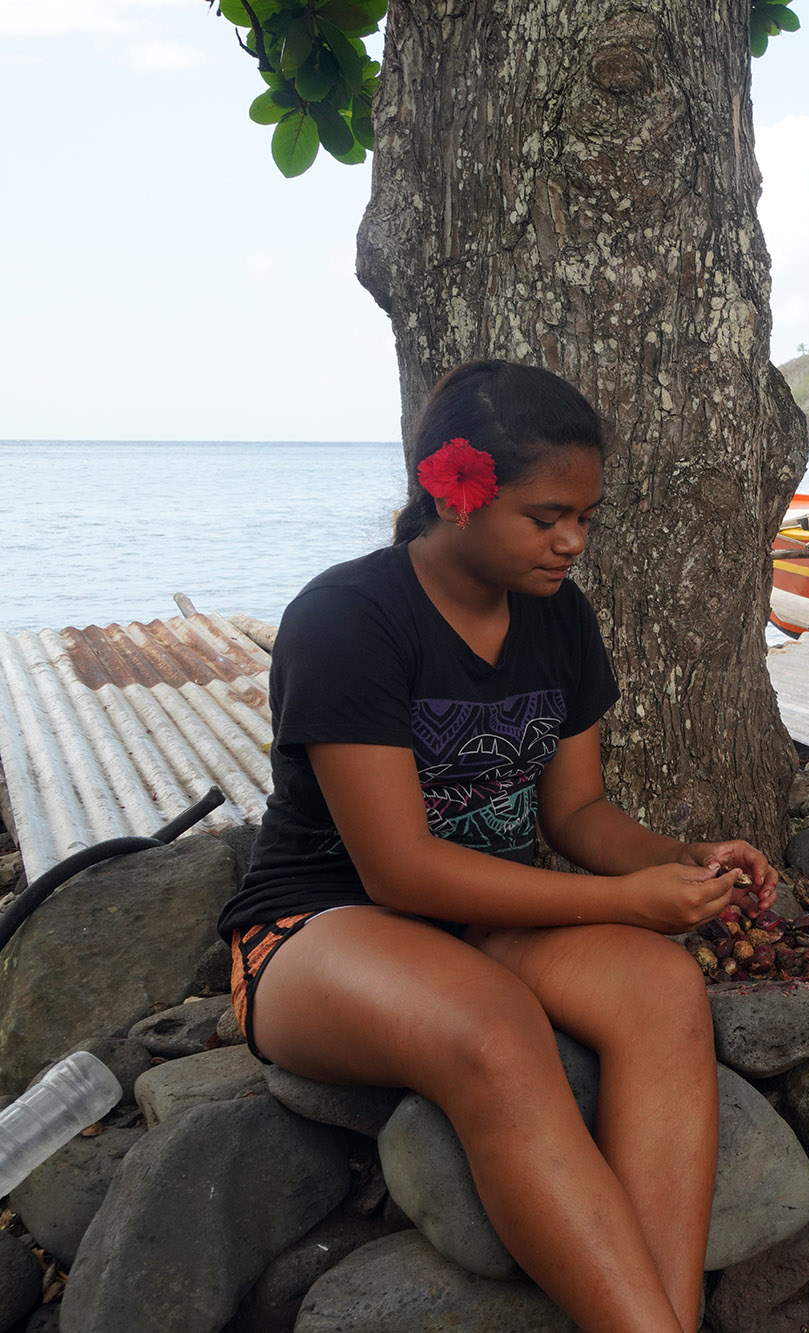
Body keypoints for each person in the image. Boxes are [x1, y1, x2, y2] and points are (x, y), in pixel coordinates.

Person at [218, 361, 774, 1333]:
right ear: (454, 492)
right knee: (494, 1030)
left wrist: (679, 860)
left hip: (482, 915)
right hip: (319, 925)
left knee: (659, 986)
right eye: (545, 515)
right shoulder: (349, 619)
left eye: (585, 518)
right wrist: (624, 903)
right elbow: (401, 869)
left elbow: (578, 817)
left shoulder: (558, 619)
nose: (572, 542)